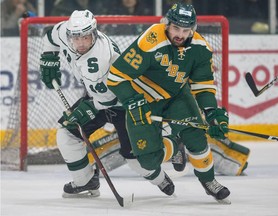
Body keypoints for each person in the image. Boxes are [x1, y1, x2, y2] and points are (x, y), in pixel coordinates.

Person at [39, 9, 185, 198]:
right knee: (67, 133)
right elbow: (50, 36)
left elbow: (109, 99)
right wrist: (48, 59)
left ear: (94, 33)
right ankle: (85, 181)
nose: (80, 43)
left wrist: (91, 108)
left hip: (124, 102)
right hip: (98, 97)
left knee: (136, 160)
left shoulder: (100, 58)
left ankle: (169, 153)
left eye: (85, 37)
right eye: (76, 38)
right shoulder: (65, 32)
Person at [107, 3, 231, 203]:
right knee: (148, 161)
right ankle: (175, 143)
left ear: (193, 29)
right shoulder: (151, 39)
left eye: (185, 30)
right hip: (143, 99)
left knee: (197, 138)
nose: (180, 34)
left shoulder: (200, 48)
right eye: (176, 28)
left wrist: (211, 113)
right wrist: (133, 102)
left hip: (177, 96)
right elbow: (115, 77)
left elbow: (203, 86)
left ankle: (209, 182)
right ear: (167, 24)